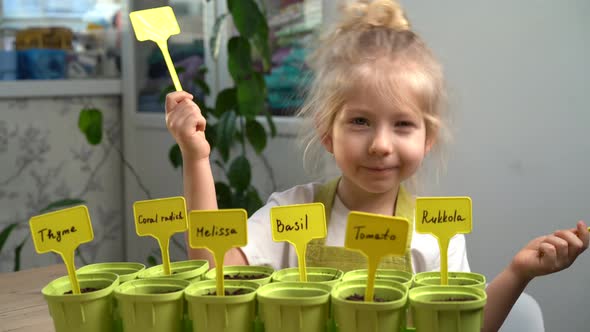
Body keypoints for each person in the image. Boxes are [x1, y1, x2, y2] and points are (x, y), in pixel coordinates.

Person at [164, 1, 588, 331]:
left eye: (403, 125)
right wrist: (196, 158)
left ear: (428, 139)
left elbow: (463, 326)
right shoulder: (290, 212)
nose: (381, 145)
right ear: (328, 133)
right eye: (360, 122)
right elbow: (214, 274)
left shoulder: (433, 235)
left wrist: (518, 273)